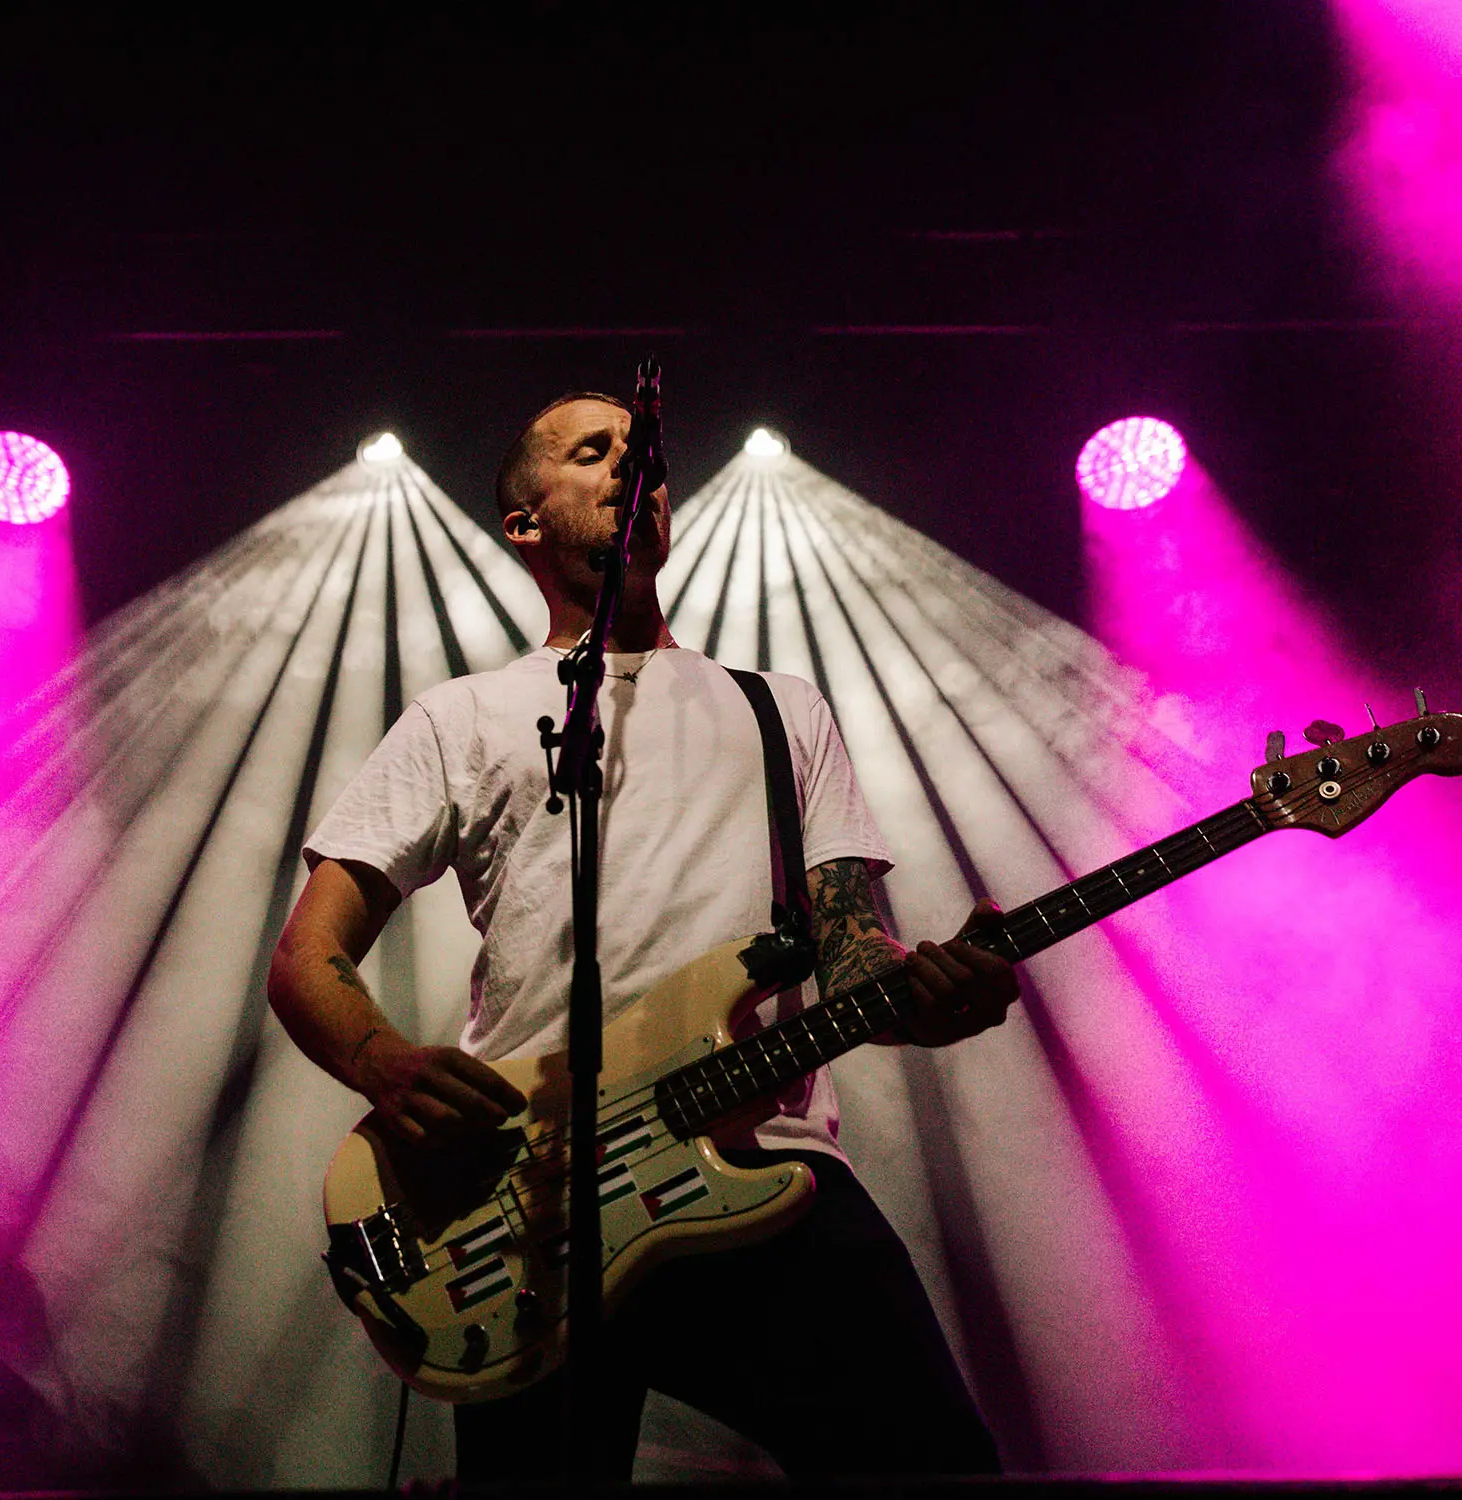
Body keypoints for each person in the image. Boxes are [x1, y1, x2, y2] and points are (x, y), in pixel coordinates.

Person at [267, 392, 1025, 1481]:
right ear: (525, 520)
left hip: (766, 1169)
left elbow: (853, 953)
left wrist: (932, 989)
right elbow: (310, 953)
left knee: (932, 1468)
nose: (636, 467)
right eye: (594, 451)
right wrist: (388, 1065)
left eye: (647, 454)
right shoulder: (462, 718)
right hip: (525, 1198)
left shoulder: (780, 710)